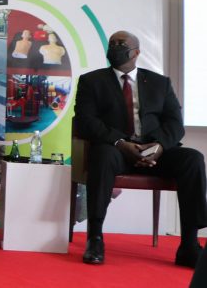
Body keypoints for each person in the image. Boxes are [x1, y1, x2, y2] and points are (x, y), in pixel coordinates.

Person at [74, 30, 207, 266]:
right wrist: (120, 143)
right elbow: (86, 121)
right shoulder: (91, 81)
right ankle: (95, 238)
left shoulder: (160, 83)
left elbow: (175, 123)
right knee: (101, 155)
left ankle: (189, 243)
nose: (114, 47)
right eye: (111, 43)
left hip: (156, 151)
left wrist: (159, 146)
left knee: (193, 159)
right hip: (117, 150)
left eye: (121, 44)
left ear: (136, 52)